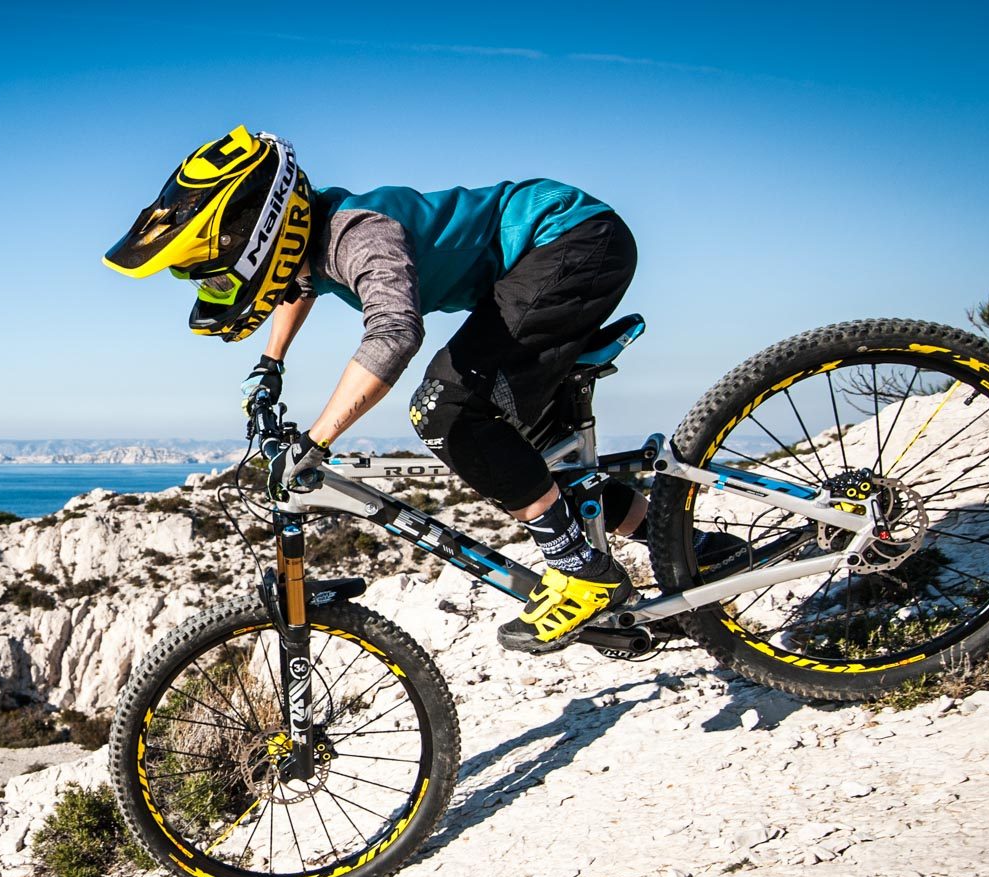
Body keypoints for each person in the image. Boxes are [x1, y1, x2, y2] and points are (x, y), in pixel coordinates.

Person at [103, 125, 646, 652]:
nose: (219, 288)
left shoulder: (362, 234)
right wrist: (270, 364)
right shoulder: (311, 239)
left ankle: (583, 572)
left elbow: (395, 332)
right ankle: (689, 549)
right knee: (532, 461)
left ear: (262, 234)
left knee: (446, 410)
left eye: (218, 276)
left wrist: (317, 440)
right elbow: (299, 282)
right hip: (547, 255)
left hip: (572, 238)